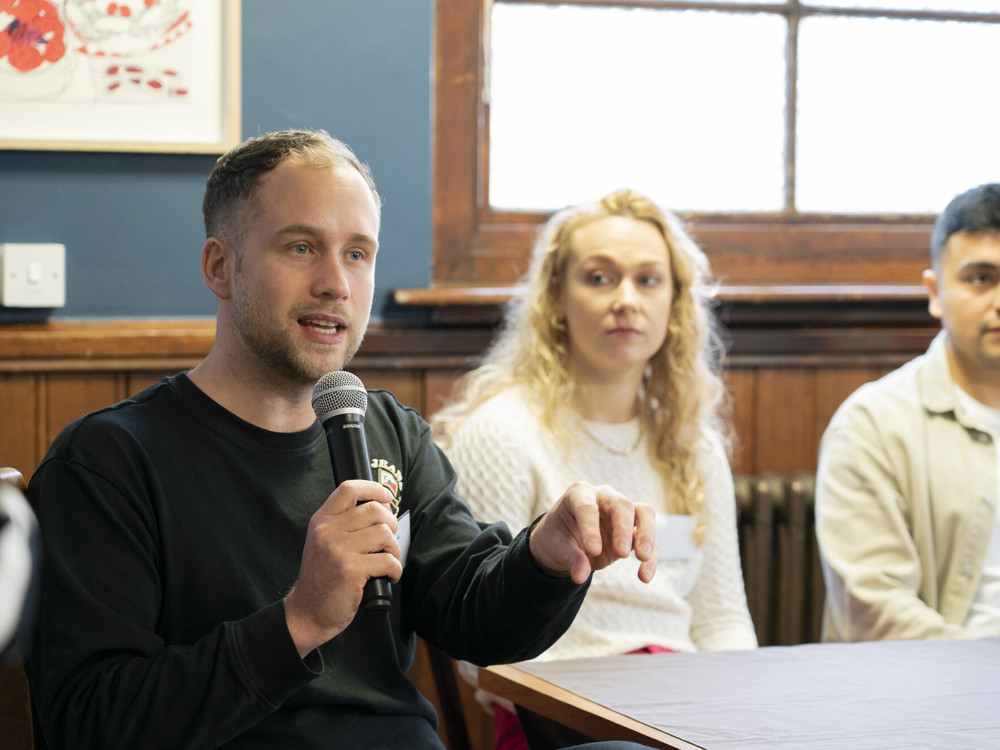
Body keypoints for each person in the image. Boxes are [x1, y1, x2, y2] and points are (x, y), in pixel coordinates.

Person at [24, 129, 660, 750]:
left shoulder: (389, 433)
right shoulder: (108, 462)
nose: (336, 282)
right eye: (301, 248)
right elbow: (87, 721)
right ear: (221, 267)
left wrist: (545, 558)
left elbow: (475, 618)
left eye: (358, 253)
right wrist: (299, 620)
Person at [431, 188, 757, 749]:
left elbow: (722, 620)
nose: (626, 299)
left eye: (648, 280)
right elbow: (477, 644)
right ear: (556, 299)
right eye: (600, 278)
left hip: (687, 709)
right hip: (556, 714)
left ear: (675, 305)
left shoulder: (694, 447)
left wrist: (744, 714)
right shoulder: (503, 431)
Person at [815, 182, 1000, 642]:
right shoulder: (871, 425)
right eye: (981, 278)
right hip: (940, 699)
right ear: (935, 291)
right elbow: (875, 612)